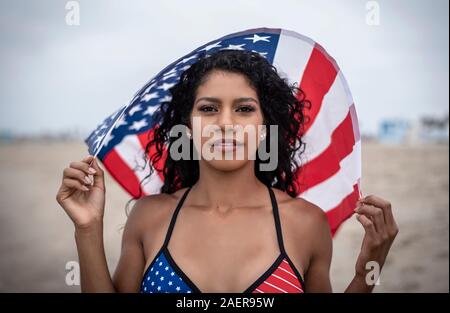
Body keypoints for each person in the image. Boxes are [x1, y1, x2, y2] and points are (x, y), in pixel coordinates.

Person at [56, 50, 398, 293]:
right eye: (208, 109)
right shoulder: (149, 217)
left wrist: (367, 270)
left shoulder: (306, 223)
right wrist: (88, 229)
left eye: (245, 109)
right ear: (187, 126)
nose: (226, 124)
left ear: (266, 126)